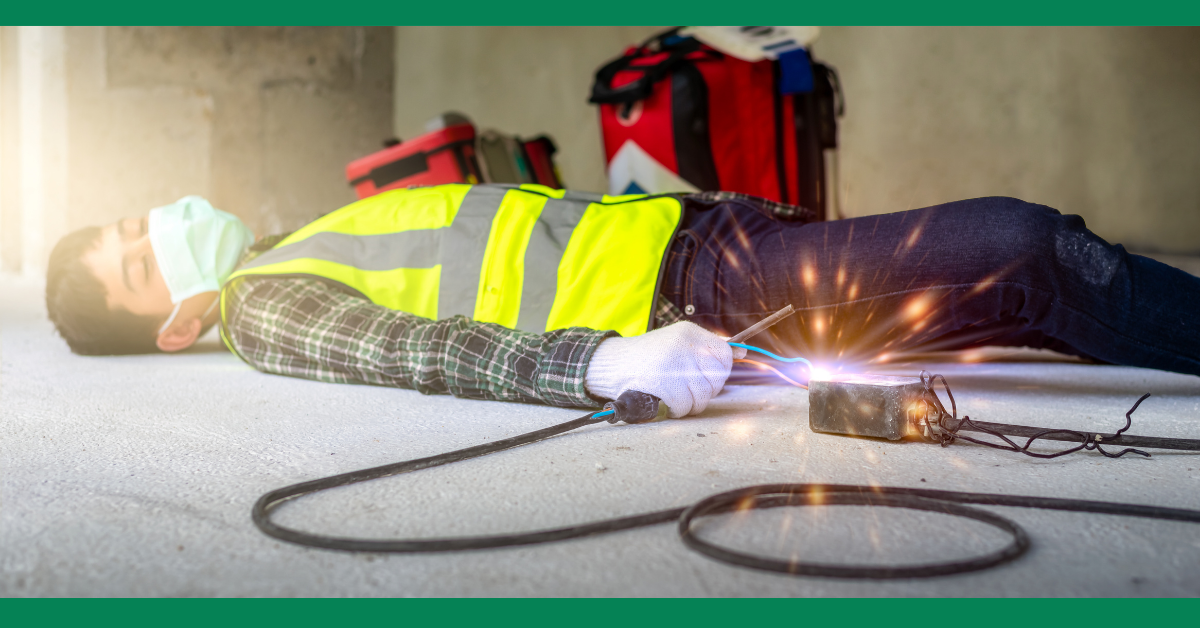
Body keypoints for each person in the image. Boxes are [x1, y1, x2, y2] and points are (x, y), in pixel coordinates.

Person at [45, 184, 1200, 419]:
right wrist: (602, 367)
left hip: (712, 237)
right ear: (179, 322)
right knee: (1032, 252)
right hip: (703, 293)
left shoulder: (302, 228)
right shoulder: (261, 304)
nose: (157, 229)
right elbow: (413, 351)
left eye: (133, 220)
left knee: (1017, 302)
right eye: (140, 261)